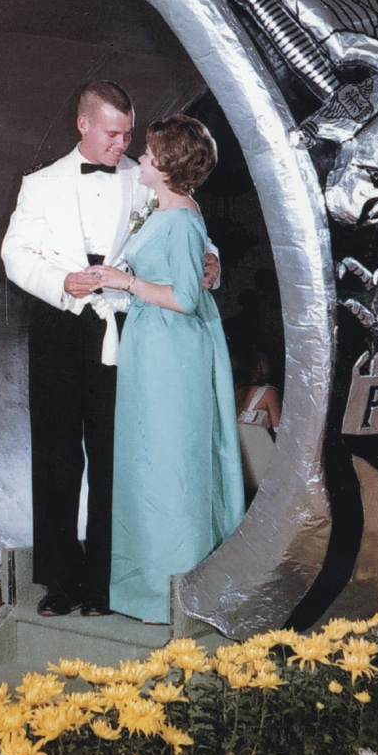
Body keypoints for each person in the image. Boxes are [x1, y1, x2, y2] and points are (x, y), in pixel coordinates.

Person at [1, 82, 218, 618]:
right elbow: (14, 253)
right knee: (55, 457)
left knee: (114, 458)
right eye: (113, 133)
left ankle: (105, 584)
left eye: (128, 134)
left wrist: (214, 262)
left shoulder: (146, 178)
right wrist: (61, 281)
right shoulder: (40, 184)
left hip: (128, 331)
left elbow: (189, 228)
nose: (122, 144)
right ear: (84, 125)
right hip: (59, 327)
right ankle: (60, 582)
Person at [92, 115, 245, 624]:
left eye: (151, 153)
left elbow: (182, 295)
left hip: (170, 352)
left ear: (167, 164)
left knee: (170, 465)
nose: (142, 158)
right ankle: (148, 585)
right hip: (153, 349)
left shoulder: (178, 216)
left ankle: (172, 591)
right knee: (150, 462)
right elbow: (197, 258)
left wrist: (124, 281)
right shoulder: (173, 208)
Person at [231, 347, 281, 497]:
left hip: (236, 470)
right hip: (262, 468)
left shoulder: (228, 394)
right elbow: (281, 432)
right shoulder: (267, 393)